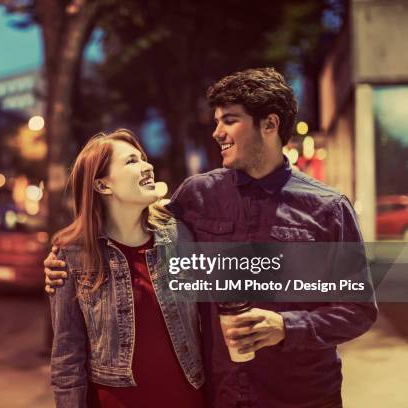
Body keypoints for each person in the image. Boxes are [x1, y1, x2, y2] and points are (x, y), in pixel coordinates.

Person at [45, 68, 377, 408]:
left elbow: (359, 310)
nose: (217, 132)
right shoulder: (197, 195)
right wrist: (67, 258)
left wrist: (286, 327)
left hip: (302, 397)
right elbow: (135, 228)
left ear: (269, 124)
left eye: (229, 121)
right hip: (223, 395)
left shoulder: (328, 208)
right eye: (216, 121)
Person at [49, 129, 206, 408]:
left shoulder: (180, 235)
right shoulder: (72, 255)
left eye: (144, 158)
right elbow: (67, 357)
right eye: (132, 161)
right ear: (102, 185)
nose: (148, 166)